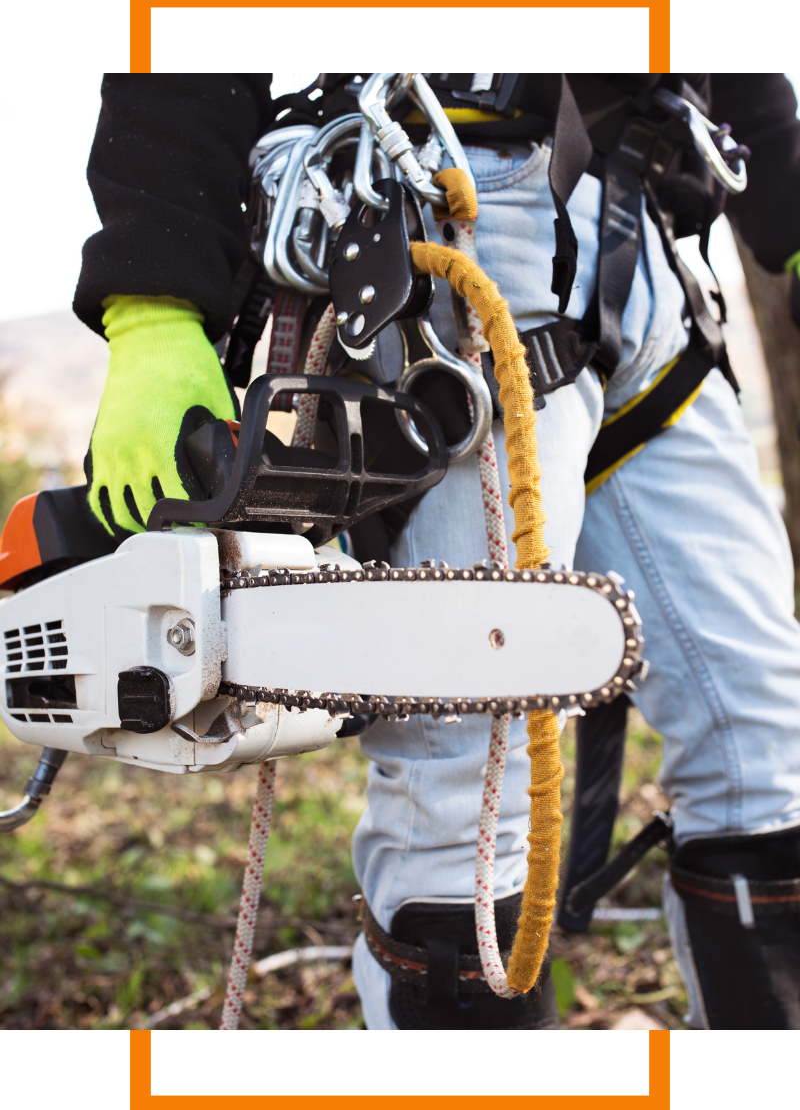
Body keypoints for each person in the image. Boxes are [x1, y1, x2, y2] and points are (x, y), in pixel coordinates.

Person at [74, 73, 800, 1030]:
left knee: (768, 748)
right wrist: (154, 303)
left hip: (645, 227)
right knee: (462, 812)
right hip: (443, 216)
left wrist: (787, 196)